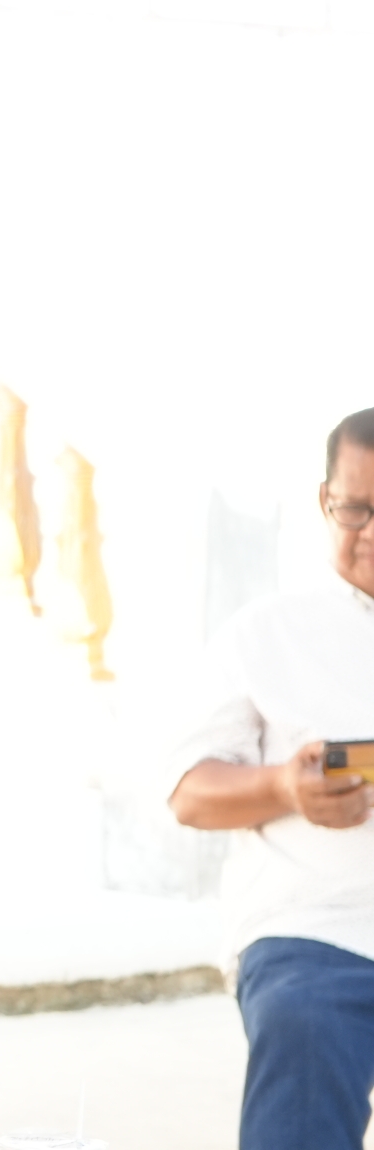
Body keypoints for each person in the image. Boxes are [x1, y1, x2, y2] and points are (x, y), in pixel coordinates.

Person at [170, 407, 374, 1150]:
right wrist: (285, 789)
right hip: (315, 935)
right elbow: (190, 793)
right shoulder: (267, 632)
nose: (373, 532)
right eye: (357, 510)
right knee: (305, 1027)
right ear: (325, 500)